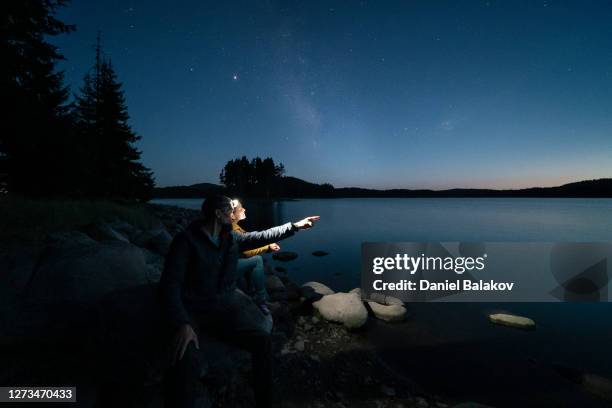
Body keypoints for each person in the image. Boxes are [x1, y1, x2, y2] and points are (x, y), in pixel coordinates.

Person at [159, 194, 319, 408]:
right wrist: (182, 323)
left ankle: (264, 401)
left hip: (222, 312)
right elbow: (170, 284)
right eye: (229, 210)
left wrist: (295, 226)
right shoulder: (186, 241)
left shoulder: (230, 237)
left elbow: (262, 235)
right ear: (218, 214)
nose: (232, 214)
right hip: (194, 313)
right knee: (185, 363)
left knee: (262, 341)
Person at [231, 199, 279, 315]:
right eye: (241, 208)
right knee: (257, 260)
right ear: (232, 214)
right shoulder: (232, 229)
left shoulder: (235, 226)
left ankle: (252, 292)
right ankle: (261, 300)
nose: (244, 209)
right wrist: (267, 248)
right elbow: (246, 251)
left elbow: (249, 243)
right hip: (227, 270)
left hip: (230, 264)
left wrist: (267, 245)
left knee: (252, 261)